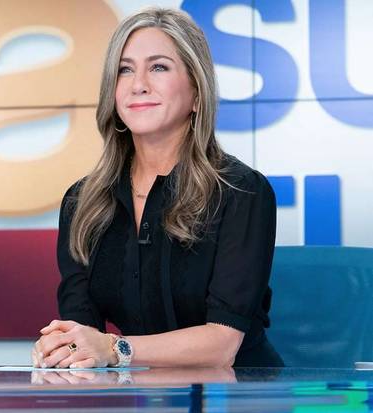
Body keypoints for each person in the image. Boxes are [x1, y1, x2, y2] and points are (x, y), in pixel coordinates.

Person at [33, 7, 284, 368]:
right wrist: (64, 347)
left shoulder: (242, 191)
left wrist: (115, 349)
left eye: (159, 67)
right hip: (144, 393)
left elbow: (223, 345)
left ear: (197, 93)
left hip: (241, 395)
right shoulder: (82, 202)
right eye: (125, 69)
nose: (138, 84)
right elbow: (82, 328)